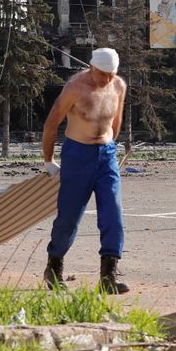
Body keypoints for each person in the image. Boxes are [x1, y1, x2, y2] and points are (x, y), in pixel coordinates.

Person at [41, 47, 129, 294]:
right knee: (69, 217)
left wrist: (109, 146)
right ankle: (54, 267)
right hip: (77, 155)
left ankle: (108, 276)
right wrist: (49, 161)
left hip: (106, 156)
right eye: (104, 74)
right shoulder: (75, 87)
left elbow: (116, 120)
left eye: (112, 74)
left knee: (113, 214)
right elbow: (51, 123)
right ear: (92, 67)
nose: (108, 80)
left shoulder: (118, 85)